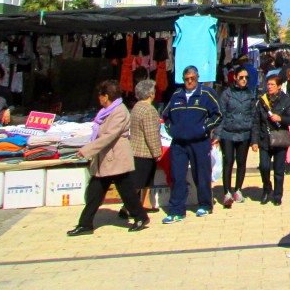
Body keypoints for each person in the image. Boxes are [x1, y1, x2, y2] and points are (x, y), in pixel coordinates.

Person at [67, 80, 150, 236]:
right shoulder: (105, 112)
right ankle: (85, 224)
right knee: (94, 192)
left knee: (126, 191)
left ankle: (140, 217)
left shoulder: (120, 111)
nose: (99, 99)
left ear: (106, 96)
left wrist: (87, 150)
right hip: (105, 158)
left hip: (116, 157)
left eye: (100, 95)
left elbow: (109, 136)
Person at [161, 66, 222, 223]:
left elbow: (218, 115)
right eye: (186, 79)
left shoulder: (207, 94)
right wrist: (171, 130)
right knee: (177, 175)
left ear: (197, 78)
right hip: (179, 143)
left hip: (199, 142)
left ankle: (205, 204)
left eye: (192, 79)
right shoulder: (177, 95)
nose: (189, 81)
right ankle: (176, 210)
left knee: (201, 174)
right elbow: (166, 115)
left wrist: (204, 128)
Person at [251, 75, 290, 205]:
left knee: (278, 169)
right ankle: (266, 188)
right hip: (264, 138)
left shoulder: (286, 100)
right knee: (264, 167)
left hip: (279, 139)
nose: (269, 87)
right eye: (268, 84)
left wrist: (281, 118)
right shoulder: (262, 101)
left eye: (272, 85)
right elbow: (256, 122)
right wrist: (254, 141)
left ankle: (277, 196)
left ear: (279, 86)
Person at [218, 66, 255, 208]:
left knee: (241, 162)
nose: (244, 80)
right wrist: (217, 134)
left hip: (244, 132)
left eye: (246, 77)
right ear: (235, 78)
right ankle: (226, 191)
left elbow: (252, 114)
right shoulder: (226, 94)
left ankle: (238, 189)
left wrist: (253, 137)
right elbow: (221, 114)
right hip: (228, 132)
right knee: (228, 161)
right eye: (241, 77)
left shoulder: (250, 94)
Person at [126, 79, 162, 218]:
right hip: (144, 151)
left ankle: (145, 203)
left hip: (135, 149)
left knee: (143, 182)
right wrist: (157, 152)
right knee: (139, 182)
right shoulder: (149, 110)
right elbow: (151, 133)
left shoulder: (136, 107)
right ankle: (129, 207)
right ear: (150, 93)